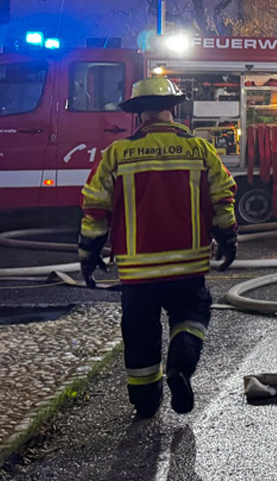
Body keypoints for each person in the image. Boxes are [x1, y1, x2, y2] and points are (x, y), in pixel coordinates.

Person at [78, 77, 238, 418]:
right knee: (191, 317)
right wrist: (228, 238)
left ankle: (145, 403)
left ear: (138, 114)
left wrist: (88, 254)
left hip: (137, 271)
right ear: (173, 109)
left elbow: (95, 208)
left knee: (139, 332)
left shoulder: (116, 154)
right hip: (189, 264)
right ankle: (180, 366)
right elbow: (223, 196)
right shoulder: (200, 149)